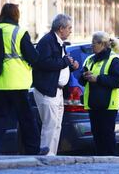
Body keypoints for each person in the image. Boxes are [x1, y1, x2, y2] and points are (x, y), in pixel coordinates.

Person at [0, 3, 41, 155]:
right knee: (26, 118)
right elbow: (33, 57)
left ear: (1, 15)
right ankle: (33, 149)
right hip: (17, 82)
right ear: (16, 15)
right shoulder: (20, 32)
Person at [32, 14, 79, 156]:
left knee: (56, 125)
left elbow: (58, 66)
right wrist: (65, 62)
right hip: (47, 90)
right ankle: (46, 155)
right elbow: (43, 63)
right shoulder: (47, 41)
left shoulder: (59, 42)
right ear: (61, 28)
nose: (71, 31)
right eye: (69, 28)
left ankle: (52, 155)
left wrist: (71, 66)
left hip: (58, 91)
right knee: (49, 125)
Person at [79, 31, 119, 156]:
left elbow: (118, 81)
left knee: (107, 135)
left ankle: (113, 162)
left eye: (93, 43)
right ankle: (101, 163)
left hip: (108, 105)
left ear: (102, 44)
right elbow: (81, 80)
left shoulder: (114, 60)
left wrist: (98, 78)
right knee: (97, 135)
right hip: (93, 104)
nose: (91, 46)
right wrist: (84, 76)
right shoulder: (89, 60)